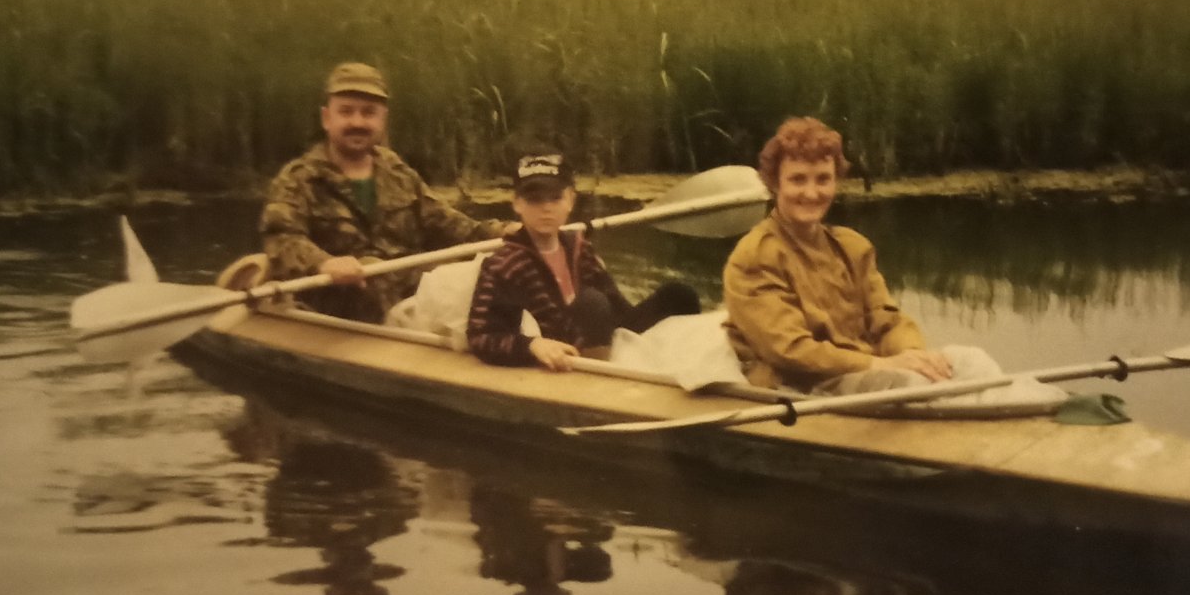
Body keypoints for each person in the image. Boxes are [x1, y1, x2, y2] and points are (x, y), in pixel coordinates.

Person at [723, 117, 1043, 407]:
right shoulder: (755, 257)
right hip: (805, 382)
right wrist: (881, 365)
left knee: (972, 361)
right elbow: (790, 351)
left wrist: (911, 353)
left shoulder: (851, 246)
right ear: (775, 184)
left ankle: (1015, 419)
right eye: (798, 180)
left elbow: (886, 319)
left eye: (823, 179)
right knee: (911, 383)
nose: (811, 192)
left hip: (861, 367)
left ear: (836, 182)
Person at [260, 61, 511, 323]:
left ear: (382, 119)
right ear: (327, 118)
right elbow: (281, 239)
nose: (357, 122)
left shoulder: (398, 172)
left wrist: (500, 232)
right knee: (370, 280)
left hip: (408, 302)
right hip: (339, 308)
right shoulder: (299, 178)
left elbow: (446, 224)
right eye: (346, 112)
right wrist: (323, 263)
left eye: (369, 113)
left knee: (486, 278)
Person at [467, 148, 700, 371]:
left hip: (601, 337)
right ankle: (606, 381)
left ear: (570, 200)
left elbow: (619, 309)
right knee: (592, 303)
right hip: (564, 353)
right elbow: (481, 335)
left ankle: (691, 365)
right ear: (517, 203)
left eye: (555, 197)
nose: (546, 207)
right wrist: (531, 345)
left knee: (679, 295)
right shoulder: (503, 265)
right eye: (534, 199)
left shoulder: (580, 247)